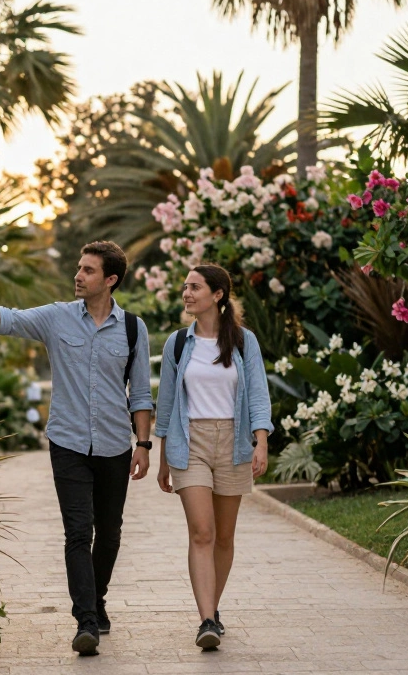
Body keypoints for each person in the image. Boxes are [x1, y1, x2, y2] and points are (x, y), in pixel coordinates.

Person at [0, 241, 154, 656]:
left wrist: (143, 444)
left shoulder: (133, 329)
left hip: (115, 445)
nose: (78, 275)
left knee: (110, 533)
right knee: (77, 531)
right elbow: (5, 319)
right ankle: (85, 620)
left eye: (87, 270)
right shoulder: (57, 317)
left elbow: (140, 394)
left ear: (111, 279)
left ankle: (96, 600)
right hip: (67, 441)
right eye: (78, 267)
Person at [153, 264, 272, 651]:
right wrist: (163, 456)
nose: (186, 293)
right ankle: (206, 619)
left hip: (234, 441)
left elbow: (257, 391)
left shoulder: (242, 341)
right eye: (185, 286)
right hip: (191, 442)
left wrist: (261, 440)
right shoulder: (177, 343)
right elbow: (167, 401)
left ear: (218, 295)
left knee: (224, 537)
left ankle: (213, 609)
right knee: (202, 532)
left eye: (195, 287)